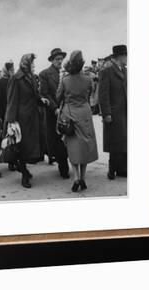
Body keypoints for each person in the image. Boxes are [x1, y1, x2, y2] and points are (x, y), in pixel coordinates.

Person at [57, 50, 99, 192]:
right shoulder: (88, 79)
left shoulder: (65, 80)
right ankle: (83, 178)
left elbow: (58, 97)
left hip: (70, 115)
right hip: (85, 114)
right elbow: (91, 94)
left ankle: (75, 178)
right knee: (85, 146)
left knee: (73, 148)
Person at [5, 53, 47, 188]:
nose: (34, 66)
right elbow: (11, 101)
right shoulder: (16, 79)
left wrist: (41, 99)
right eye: (32, 63)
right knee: (20, 148)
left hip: (32, 117)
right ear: (26, 64)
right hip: (21, 119)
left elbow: (35, 95)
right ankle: (24, 175)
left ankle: (24, 170)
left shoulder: (31, 77)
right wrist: (11, 121)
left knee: (28, 148)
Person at [39, 48, 70, 178]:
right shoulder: (45, 74)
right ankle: (63, 167)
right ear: (52, 60)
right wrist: (54, 108)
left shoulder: (67, 73)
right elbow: (44, 93)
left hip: (67, 111)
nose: (59, 61)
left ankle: (64, 162)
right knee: (57, 140)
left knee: (68, 137)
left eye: (61, 59)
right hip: (54, 113)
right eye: (57, 59)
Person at [98, 44, 128, 179]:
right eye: (125, 55)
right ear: (119, 57)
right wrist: (106, 113)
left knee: (124, 141)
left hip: (125, 112)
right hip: (114, 112)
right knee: (115, 142)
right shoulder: (107, 72)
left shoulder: (125, 71)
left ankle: (122, 169)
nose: (127, 58)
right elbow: (103, 95)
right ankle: (112, 169)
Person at [0, 61, 14, 135]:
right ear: (6, 70)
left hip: (12, 111)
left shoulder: (13, 81)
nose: (12, 72)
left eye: (13, 70)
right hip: (3, 112)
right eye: (11, 70)